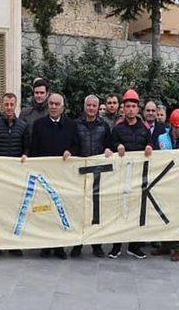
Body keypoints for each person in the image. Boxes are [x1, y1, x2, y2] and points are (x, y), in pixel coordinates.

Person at [30, 93, 78, 260]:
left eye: (57, 104)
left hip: (64, 176)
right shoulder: (38, 125)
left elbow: (76, 145)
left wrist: (70, 151)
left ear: (63, 107)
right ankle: (45, 245)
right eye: (51, 103)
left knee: (61, 209)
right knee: (44, 209)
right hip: (44, 175)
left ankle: (59, 246)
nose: (54, 106)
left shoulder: (71, 125)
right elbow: (33, 150)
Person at [109, 89, 153, 259]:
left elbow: (150, 145)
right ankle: (116, 246)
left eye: (133, 106)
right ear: (123, 108)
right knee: (119, 211)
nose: (130, 110)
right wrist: (117, 147)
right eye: (127, 106)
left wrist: (149, 147)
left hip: (139, 178)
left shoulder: (144, 129)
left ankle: (135, 246)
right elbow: (110, 147)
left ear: (137, 109)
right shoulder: (118, 129)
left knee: (136, 211)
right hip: (121, 177)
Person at [0, 93, 29, 257]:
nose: (9, 108)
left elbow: (26, 148)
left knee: (15, 209)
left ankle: (13, 243)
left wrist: (25, 155)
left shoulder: (23, 126)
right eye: (6, 105)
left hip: (16, 176)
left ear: (15, 105)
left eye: (12, 104)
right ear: (2, 106)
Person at [71, 95, 112, 258]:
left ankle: (97, 244)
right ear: (84, 106)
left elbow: (110, 145)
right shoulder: (75, 124)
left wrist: (109, 150)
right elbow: (73, 144)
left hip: (98, 172)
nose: (91, 108)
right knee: (79, 208)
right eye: (88, 105)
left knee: (97, 209)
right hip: (80, 172)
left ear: (98, 107)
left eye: (94, 106)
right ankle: (77, 244)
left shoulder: (104, 125)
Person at [152, 109, 179, 262]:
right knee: (163, 215)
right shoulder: (161, 139)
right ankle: (165, 244)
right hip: (163, 185)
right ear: (173, 127)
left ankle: (178, 247)